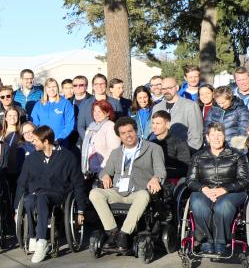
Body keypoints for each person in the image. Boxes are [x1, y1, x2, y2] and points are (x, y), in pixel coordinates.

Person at [87, 117, 166, 253]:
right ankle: (113, 232)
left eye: (130, 131)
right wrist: (105, 175)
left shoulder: (153, 148)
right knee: (95, 193)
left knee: (143, 195)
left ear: (136, 131)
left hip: (139, 191)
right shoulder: (116, 153)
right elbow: (106, 171)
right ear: (119, 136)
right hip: (117, 191)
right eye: (123, 133)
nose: (127, 135)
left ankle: (124, 234)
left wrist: (156, 178)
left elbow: (160, 171)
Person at [14, 125, 86, 264]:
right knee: (29, 200)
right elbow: (21, 183)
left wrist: (81, 210)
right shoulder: (32, 158)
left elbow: (78, 183)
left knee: (41, 198)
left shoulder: (67, 157)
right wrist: (17, 208)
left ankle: (42, 241)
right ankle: (32, 236)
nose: (32, 142)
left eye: (35, 140)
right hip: (36, 193)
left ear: (46, 141)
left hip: (58, 193)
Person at [185, 122, 249, 254]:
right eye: (213, 135)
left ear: (224, 136)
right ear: (207, 137)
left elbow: (245, 180)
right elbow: (190, 180)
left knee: (223, 205)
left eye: (219, 134)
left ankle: (221, 241)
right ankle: (206, 241)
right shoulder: (198, 156)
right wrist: (204, 189)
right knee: (198, 203)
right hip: (205, 191)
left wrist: (224, 189)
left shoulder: (237, 155)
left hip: (232, 192)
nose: (216, 138)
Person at [152, 76, 204, 150]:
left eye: (169, 88)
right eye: (163, 89)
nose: (166, 91)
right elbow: (152, 130)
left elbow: (196, 134)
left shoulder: (190, 106)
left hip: (183, 154)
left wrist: (187, 153)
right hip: (161, 153)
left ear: (176, 87)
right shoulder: (157, 107)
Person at [74, 74, 121, 142]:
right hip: (90, 143)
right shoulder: (85, 104)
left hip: (110, 142)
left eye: (102, 83)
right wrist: (89, 141)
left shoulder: (115, 103)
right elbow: (80, 127)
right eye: (96, 84)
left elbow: (120, 124)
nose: (99, 86)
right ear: (93, 86)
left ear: (106, 85)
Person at [148, 110, 191, 181]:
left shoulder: (179, 142)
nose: (154, 127)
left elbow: (185, 168)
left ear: (167, 125)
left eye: (158, 123)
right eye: (153, 123)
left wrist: (162, 175)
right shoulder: (150, 142)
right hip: (150, 179)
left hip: (171, 180)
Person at [31, 78, 75, 145]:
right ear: (45, 89)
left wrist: (59, 139)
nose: (51, 89)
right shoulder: (39, 104)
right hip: (43, 142)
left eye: (54, 87)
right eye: (49, 87)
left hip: (61, 142)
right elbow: (34, 123)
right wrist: (40, 138)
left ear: (57, 88)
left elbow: (69, 124)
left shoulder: (66, 103)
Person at [81, 99, 120, 175]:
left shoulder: (111, 126)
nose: (96, 114)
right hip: (90, 169)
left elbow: (113, 151)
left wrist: (103, 167)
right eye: (95, 111)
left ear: (108, 113)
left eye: (100, 111)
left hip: (103, 168)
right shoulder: (91, 127)